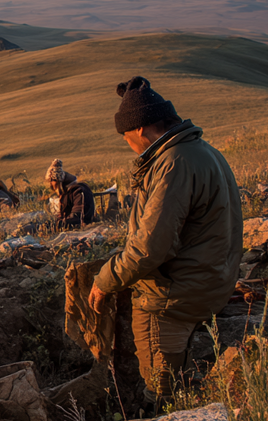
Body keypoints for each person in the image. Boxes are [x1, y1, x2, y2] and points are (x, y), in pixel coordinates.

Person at [89, 76, 241, 403]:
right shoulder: (202, 151)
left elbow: (150, 247)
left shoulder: (172, 164)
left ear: (141, 129)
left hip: (174, 298)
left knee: (162, 387)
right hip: (211, 281)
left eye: (125, 135)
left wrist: (104, 280)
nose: (127, 142)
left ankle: (163, 420)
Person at [45, 159, 96, 229]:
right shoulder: (68, 192)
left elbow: (76, 218)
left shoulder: (78, 191)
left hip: (83, 228)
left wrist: (56, 225)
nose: (50, 184)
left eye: (51, 181)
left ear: (58, 182)